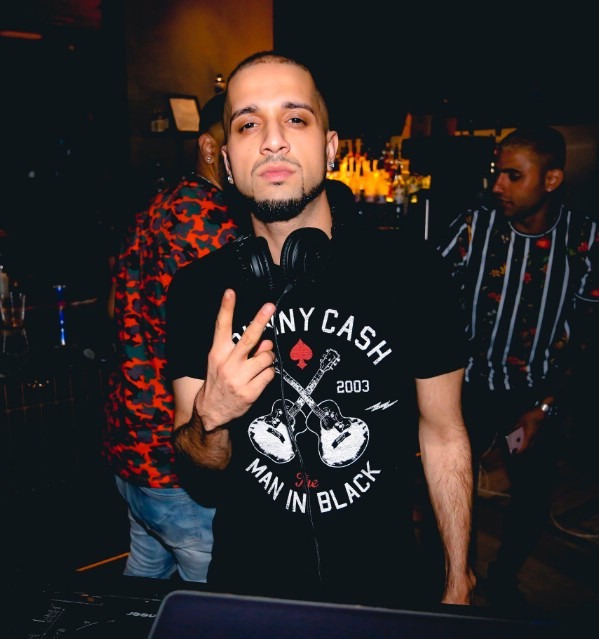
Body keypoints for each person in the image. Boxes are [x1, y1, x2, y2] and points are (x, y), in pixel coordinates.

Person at [167, 50, 475, 610]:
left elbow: (444, 433)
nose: (273, 140)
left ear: (331, 148)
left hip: (386, 585)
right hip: (251, 590)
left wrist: (458, 577)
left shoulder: (411, 271)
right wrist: (213, 416)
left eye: (295, 118)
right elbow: (199, 471)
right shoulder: (197, 291)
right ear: (227, 161)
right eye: (248, 124)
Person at [435, 125, 599, 611]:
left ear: (551, 180)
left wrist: (545, 407)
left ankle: (504, 580)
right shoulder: (475, 226)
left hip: (529, 400)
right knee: (451, 485)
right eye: (497, 173)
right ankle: (451, 575)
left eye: (513, 175)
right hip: (466, 390)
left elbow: (587, 333)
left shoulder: (584, 239)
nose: (498, 186)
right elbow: (428, 292)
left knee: (529, 495)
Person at [102, 91, 241, 581]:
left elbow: (114, 309)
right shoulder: (214, 223)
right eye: (240, 132)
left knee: (144, 583)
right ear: (209, 147)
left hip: (132, 443)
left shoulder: (154, 206)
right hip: (179, 459)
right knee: (213, 598)